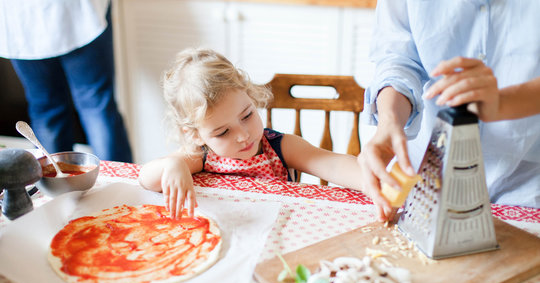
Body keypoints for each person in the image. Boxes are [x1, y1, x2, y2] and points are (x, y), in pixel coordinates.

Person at [357, 1, 540, 220]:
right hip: (425, 185)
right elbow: (399, 59)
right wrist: (389, 121)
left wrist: (504, 102)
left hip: (526, 193)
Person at [138, 48, 365, 218]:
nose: (243, 135)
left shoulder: (279, 148)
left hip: (279, 236)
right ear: (196, 135)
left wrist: (373, 182)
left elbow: (332, 164)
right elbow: (146, 178)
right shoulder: (201, 156)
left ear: (250, 97)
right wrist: (173, 165)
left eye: (247, 116)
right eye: (223, 132)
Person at [0, 0, 132, 162]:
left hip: (22, 20)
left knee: (47, 111)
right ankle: (118, 183)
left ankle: (55, 184)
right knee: (97, 107)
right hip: (76, 13)